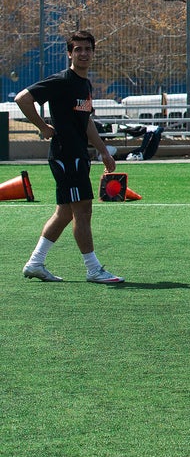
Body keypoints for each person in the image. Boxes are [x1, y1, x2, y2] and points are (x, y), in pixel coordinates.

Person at [17, 29, 125, 284]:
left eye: (87, 49)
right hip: (66, 157)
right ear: (69, 54)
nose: (83, 53)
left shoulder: (84, 84)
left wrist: (102, 151)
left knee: (64, 213)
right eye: (78, 49)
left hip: (78, 156)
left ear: (93, 52)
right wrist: (42, 126)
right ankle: (93, 269)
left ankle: (35, 263)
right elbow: (23, 98)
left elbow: (86, 121)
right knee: (83, 210)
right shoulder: (62, 81)